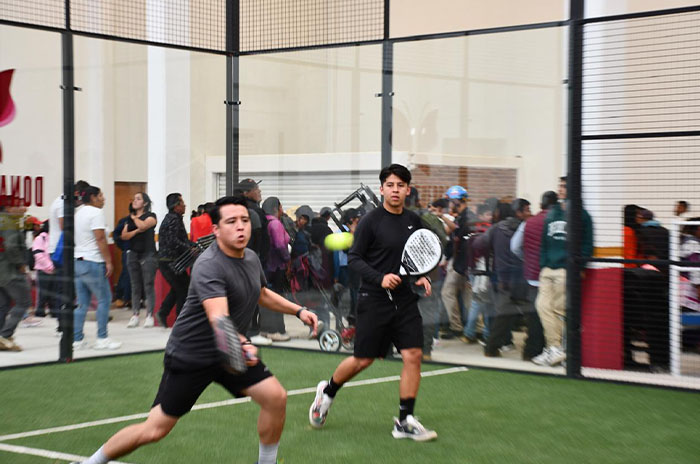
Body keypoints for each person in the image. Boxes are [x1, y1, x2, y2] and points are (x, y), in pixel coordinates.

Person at [70, 195, 318, 464]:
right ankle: (90, 463)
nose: (240, 227)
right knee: (154, 430)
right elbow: (218, 318)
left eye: (244, 221)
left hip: (231, 350)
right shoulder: (209, 264)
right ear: (216, 229)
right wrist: (242, 344)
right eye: (232, 221)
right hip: (193, 354)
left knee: (275, 398)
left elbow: (261, 293)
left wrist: (299, 310)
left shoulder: (250, 258)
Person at [309, 164, 437, 442]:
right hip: (374, 299)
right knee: (363, 359)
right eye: (390, 185)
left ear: (408, 190)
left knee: (413, 355)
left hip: (404, 301)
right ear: (382, 189)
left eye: (400, 185)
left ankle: (405, 421)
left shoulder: (414, 221)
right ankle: (327, 391)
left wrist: (422, 275)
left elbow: (419, 254)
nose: (395, 190)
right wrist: (380, 278)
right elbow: (355, 258)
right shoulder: (370, 221)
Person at [533, 176, 593, 367]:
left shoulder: (582, 215)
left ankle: (557, 350)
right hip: (548, 269)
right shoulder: (552, 213)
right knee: (542, 306)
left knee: (559, 311)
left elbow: (587, 245)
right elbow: (544, 241)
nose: (560, 189)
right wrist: (543, 263)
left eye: (564, 186)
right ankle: (556, 349)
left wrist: (578, 267)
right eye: (559, 185)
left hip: (566, 270)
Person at [73, 186, 121, 351]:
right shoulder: (95, 213)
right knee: (104, 299)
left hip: (78, 261)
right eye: (101, 195)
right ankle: (102, 338)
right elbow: (100, 238)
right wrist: (108, 261)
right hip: (93, 261)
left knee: (82, 304)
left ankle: (77, 340)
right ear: (93, 197)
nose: (103, 198)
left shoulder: (78, 213)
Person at [510, 191, 557, 360]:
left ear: (541, 205)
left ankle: (531, 350)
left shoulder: (529, 223)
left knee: (534, 314)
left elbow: (515, 246)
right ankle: (551, 348)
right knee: (554, 313)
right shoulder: (558, 222)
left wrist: (527, 258)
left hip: (532, 276)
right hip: (554, 275)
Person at [235, 178, 271, 346]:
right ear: (246, 193)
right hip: (249, 261)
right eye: (256, 189)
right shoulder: (251, 211)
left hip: (248, 259)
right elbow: (256, 239)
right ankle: (251, 331)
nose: (259, 192)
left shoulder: (246, 209)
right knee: (251, 295)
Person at [156, 193, 195, 328]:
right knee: (183, 289)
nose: (184, 205)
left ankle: (163, 312)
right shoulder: (173, 219)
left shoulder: (175, 218)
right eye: (182, 203)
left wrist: (192, 245)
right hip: (169, 261)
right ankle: (180, 321)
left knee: (179, 288)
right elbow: (174, 241)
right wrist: (189, 248)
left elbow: (182, 240)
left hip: (171, 261)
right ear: (176, 206)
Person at [122, 192, 158, 328]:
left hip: (148, 254)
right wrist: (136, 231)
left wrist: (134, 218)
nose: (135, 201)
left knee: (148, 285)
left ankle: (149, 315)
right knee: (135, 285)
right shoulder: (128, 219)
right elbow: (124, 235)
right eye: (134, 199)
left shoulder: (151, 216)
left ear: (145, 203)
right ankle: (135, 315)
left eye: (138, 199)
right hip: (132, 254)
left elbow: (144, 226)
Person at [440, 185, 472, 339]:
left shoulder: (465, 218)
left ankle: (456, 326)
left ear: (456, 201)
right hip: (463, 263)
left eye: (450, 201)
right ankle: (475, 328)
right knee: (468, 297)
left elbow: (456, 234)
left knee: (447, 292)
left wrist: (442, 216)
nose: (449, 205)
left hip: (460, 263)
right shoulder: (465, 216)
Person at [0, 198, 32, 351]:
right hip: (10, 271)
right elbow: (11, 247)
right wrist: (20, 265)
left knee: (3, 305)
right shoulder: (10, 223)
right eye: (19, 206)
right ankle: (5, 336)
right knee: (23, 302)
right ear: (8, 207)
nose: (24, 209)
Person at [259, 196, 292, 341]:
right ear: (275, 209)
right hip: (276, 266)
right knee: (278, 299)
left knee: (266, 298)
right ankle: (276, 329)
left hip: (265, 266)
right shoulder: (275, 224)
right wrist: (287, 258)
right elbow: (280, 245)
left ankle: (266, 329)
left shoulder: (263, 222)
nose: (282, 210)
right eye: (280, 207)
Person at [32, 219, 54, 318]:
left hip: (54, 270)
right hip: (43, 270)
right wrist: (49, 266)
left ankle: (54, 312)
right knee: (43, 293)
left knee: (53, 293)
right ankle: (40, 312)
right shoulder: (40, 238)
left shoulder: (54, 237)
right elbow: (38, 255)